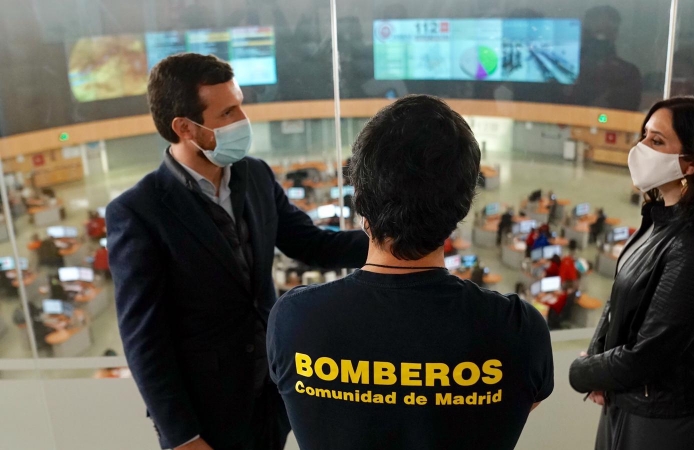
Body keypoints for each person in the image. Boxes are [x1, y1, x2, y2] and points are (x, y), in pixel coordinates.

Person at [107, 54, 368, 450]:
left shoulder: (255, 174)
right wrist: (182, 436)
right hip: (205, 416)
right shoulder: (138, 212)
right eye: (228, 111)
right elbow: (144, 339)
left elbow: (312, 244)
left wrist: (394, 237)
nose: (243, 119)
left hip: (269, 396)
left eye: (240, 104)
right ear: (184, 128)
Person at [267, 95, 554, 450]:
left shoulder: (294, 319)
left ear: (359, 198)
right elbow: (519, 404)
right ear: (463, 203)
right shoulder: (519, 329)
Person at [569, 97, 694, 450]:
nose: (640, 148)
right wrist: (598, 359)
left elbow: (648, 355)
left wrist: (581, 372)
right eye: (645, 135)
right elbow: (620, 297)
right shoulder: (660, 217)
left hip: (667, 419)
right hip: (630, 399)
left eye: (657, 141)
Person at [571, 5, 642, 111]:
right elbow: (555, 107)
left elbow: (628, 112)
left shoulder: (629, 72)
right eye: (596, 32)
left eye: (606, 32)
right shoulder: (567, 68)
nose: (600, 39)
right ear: (585, 33)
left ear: (615, 34)